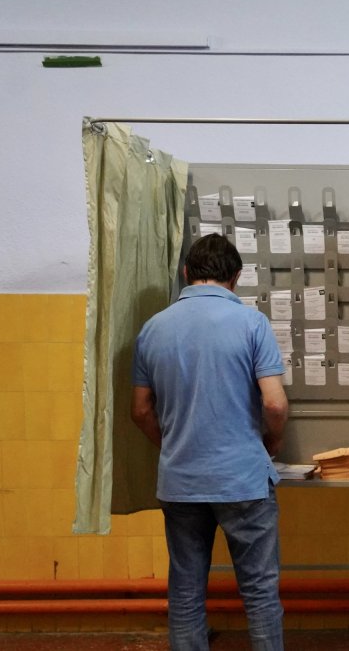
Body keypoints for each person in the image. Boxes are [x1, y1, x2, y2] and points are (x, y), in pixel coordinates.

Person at [131, 233, 289, 651]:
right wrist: (272, 441)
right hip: (243, 481)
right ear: (236, 278)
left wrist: (170, 445)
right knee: (259, 593)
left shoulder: (153, 329)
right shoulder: (253, 323)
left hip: (180, 481)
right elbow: (274, 404)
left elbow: (140, 410)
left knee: (185, 593)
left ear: (186, 273)